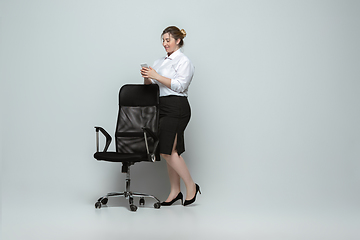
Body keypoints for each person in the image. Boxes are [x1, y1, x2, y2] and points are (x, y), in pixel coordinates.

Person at [140, 26, 200, 206]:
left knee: (167, 152)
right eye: (163, 40)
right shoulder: (159, 61)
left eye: (168, 40)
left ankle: (191, 186)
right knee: (168, 150)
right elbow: (151, 87)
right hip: (162, 107)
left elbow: (180, 86)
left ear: (178, 41)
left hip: (177, 107)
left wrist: (156, 75)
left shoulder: (184, 61)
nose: (165, 44)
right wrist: (147, 77)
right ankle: (175, 192)